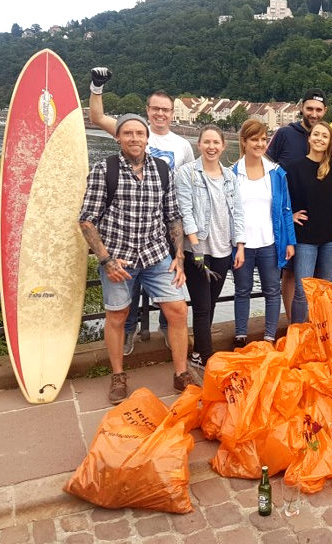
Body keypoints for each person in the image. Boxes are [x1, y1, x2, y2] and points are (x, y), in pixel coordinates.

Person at [78, 113, 194, 405]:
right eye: (127, 134)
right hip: (120, 259)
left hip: (156, 255)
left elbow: (172, 216)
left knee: (178, 310)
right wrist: (106, 260)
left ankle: (181, 373)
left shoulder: (163, 169)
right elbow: (87, 221)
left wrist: (178, 256)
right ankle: (118, 375)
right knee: (117, 315)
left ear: (147, 138)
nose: (134, 139)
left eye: (139, 134)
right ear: (117, 138)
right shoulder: (105, 170)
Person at [88, 68, 195, 355]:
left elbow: (186, 185)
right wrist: (97, 87)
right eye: (156, 109)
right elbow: (96, 118)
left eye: (166, 110)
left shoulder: (183, 145)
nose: (161, 113)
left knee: (170, 288)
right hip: (127, 228)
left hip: (162, 229)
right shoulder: (132, 129)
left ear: (172, 113)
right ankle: (128, 331)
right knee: (127, 288)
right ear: (147, 111)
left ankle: (168, 330)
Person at [285, 89, 332, 323]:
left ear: (329, 142)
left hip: (331, 237)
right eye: (316, 134)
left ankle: (322, 333)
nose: (319, 138)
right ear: (309, 138)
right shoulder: (294, 167)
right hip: (305, 237)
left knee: (325, 291)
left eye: (324, 136)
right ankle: (299, 334)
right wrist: (290, 215)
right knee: (302, 292)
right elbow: (282, 200)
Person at [175, 125, 245, 369]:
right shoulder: (187, 174)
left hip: (223, 251)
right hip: (199, 251)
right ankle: (207, 360)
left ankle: (196, 354)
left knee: (210, 304)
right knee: (202, 307)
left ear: (223, 145)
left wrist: (240, 246)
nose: (211, 147)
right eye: (207, 142)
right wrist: (195, 249)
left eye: (216, 142)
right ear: (199, 144)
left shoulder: (230, 177)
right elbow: (185, 211)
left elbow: (238, 213)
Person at [231, 119, 295, 346]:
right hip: (242, 245)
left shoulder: (276, 173)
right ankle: (240, 336)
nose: (260, 144)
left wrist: (290, 242)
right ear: (244, 142)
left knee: (271, 290)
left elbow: (286, 209)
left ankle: (269, 336)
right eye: (254, 139)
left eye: (263, 140)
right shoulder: (232, 174)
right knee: (242, 290)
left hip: (269, 242)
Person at [266, 88, 328, 322]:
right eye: (309, 108)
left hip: (317, 221)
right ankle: (294, 324)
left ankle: (315, 323)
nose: (313, 113)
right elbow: (267, 171)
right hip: (290, 216)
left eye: (318, 110)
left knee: (317, 276)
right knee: (290, 273)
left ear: (324, 112)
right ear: (302, 108)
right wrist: (283, 215)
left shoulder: (325, 136)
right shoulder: (284, 134)